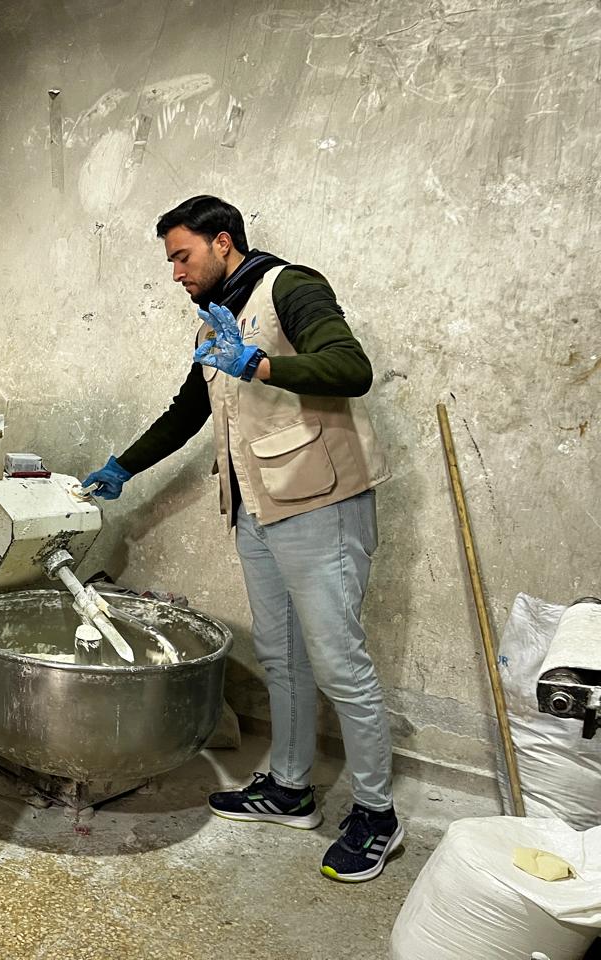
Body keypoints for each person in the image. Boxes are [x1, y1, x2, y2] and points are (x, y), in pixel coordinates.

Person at [83, 195, 399, 883]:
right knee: (281, 655)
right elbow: (187, 412)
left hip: (322, 503)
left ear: (222, 242)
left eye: (182, 256)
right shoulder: (215, 324)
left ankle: (378, 813)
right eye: (171, 260)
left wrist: (259, 364)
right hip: (256, 508)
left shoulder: (292, 287)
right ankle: (289, 788)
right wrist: (122, 468)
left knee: (339, 663)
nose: (175, 272)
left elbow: (352, 369)